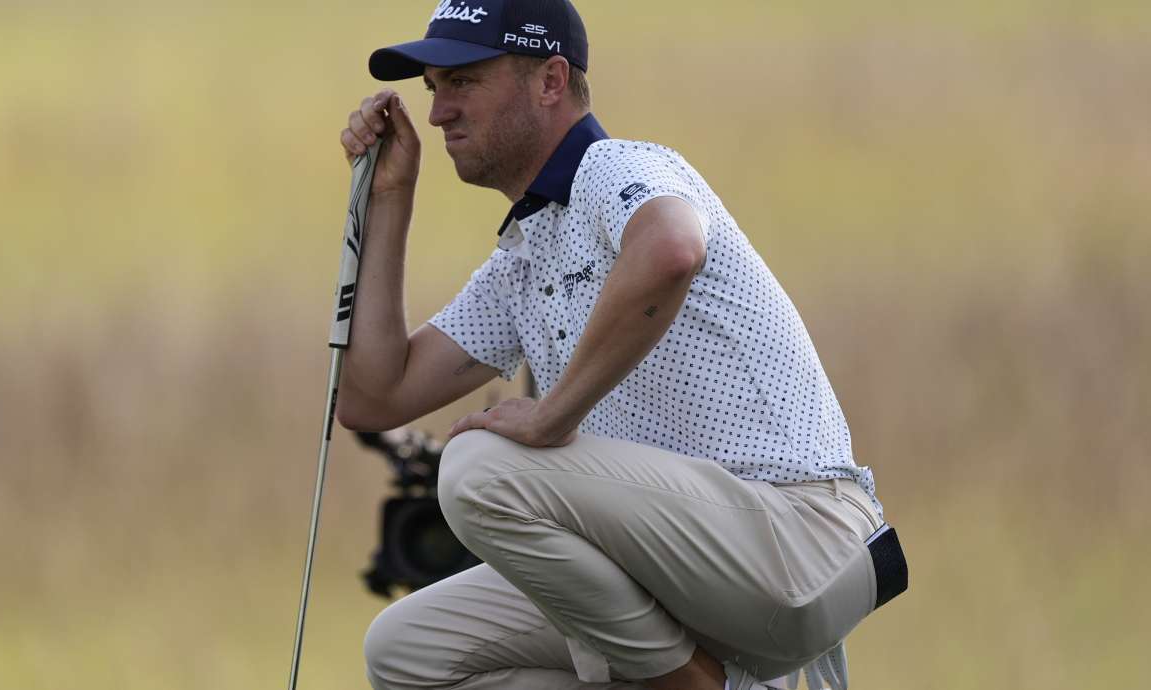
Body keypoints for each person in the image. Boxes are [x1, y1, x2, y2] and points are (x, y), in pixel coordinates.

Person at [336, 1, 904, 689]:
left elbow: (671, 247)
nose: (438, 112)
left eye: (463, 82)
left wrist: (553, 415)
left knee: (476, 469)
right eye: (433, 88)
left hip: (797, 538)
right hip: (685, 576)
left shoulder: (614, 167)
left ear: (550, 81)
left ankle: (690, 685)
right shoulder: (526, 252)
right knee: (405, 650)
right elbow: (374, 395)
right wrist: (391, 196)